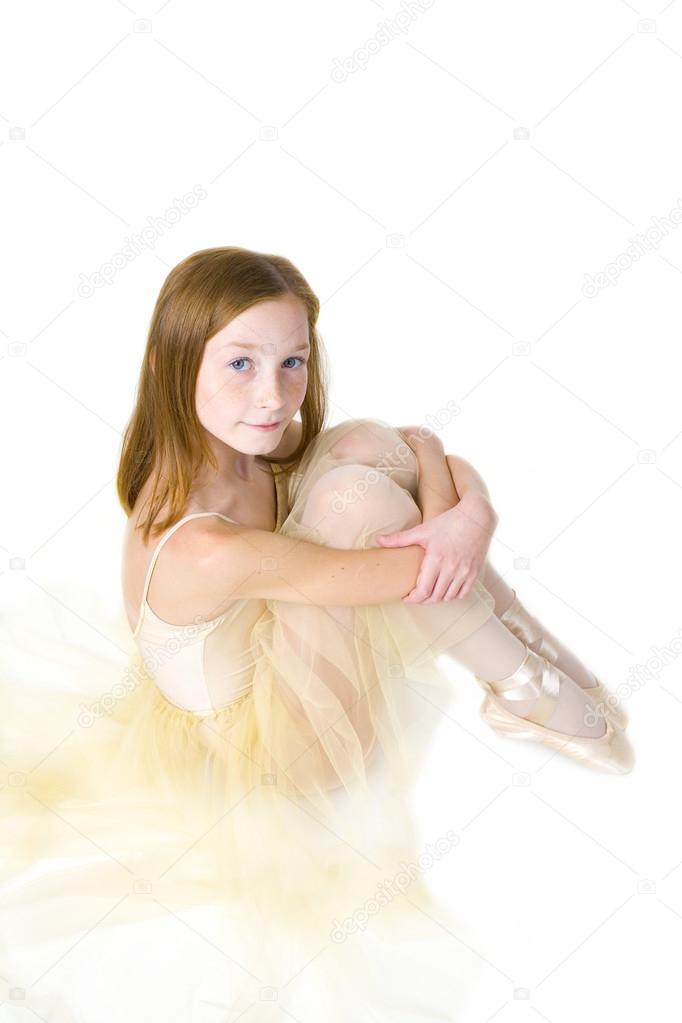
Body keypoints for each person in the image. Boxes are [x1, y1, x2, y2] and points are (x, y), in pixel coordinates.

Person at [0, 246, 634, 1020]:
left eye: (292, 360)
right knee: (350, 504)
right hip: (279, 752)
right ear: (171, 362)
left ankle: (528, 649)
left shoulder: (243, 454)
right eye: (240, 364)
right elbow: (418, 575)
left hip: (279, 654)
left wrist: (462, 505)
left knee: (363, 447)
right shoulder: (201, 542)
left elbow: (421, 457)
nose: (275, 395)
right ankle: (519, 683)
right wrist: (457, 510)